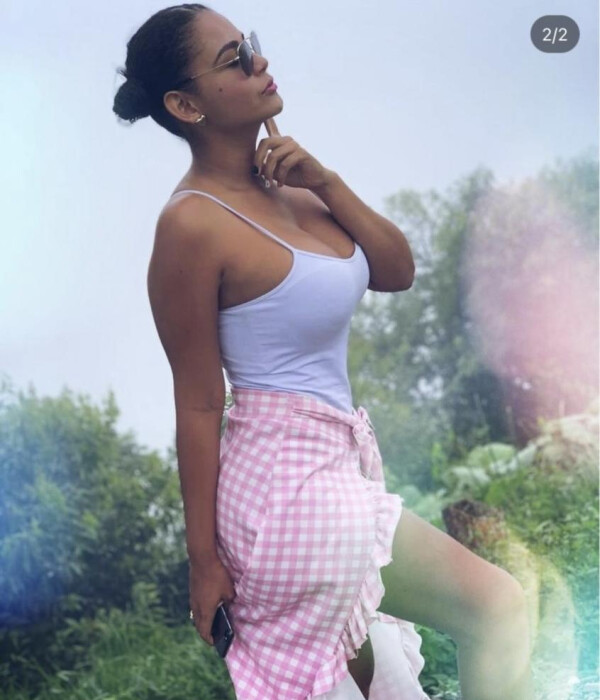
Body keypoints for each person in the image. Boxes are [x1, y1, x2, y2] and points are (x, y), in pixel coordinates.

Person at [112, 5, 535, 700]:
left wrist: (328, 181)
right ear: (185, 105)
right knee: (495, 608)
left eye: (250, 45)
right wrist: (202, 562)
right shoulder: (191, 224)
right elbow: (198, 401)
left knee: (377, 684)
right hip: (282, 485)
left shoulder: (296, 187)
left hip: (337, 465)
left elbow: (396, 270)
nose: (258, 62)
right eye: (232, 59)